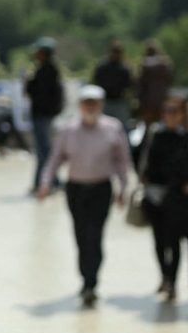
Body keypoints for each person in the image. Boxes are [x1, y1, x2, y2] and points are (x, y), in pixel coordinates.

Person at [37, 85, 131, 306]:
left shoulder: (113, 128)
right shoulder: (68, 130)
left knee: (95, 236)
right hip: (76, 190)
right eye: (86, 103)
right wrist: (45, 183)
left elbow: (122, 160)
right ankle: (84, 277)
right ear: (80, 105)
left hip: (101, 189)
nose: (90, 107)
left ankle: (91, 282)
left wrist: (123, 187)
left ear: (101, 105)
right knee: (81, 236)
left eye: (94, 103)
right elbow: (55, 158)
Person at [142, 94, 188, 302]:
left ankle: (172, 281)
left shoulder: (185, 138)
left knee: (174, 241)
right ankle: (164, 276)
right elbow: (142, 161)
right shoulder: (154, 135)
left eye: (174, 112)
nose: (170, 116)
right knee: (159, 240)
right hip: (154, 194)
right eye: (166, 112)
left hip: (177, 197)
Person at [25, 38, 65, 194]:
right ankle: (48, 181)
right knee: (43, 150)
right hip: (43, 115)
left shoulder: (46, 72)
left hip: (42, 115)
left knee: (44, 150)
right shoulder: (47, 70)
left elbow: (37, 93)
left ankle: (48, 181)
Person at [92, 40, 133, 132]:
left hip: (119, 101)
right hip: (105, 100)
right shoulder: (102, 66)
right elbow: (96, 82)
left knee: (121, 129)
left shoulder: (124, 68)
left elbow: (129, 84)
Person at [137, 41, 176, 128]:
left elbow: (140, 83)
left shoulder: (144, 64)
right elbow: (170, 80)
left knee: (148, 126)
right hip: (163, 98)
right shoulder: (165, 63)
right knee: (165, 124)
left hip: (148, 101)